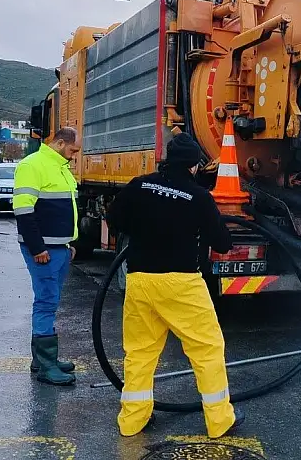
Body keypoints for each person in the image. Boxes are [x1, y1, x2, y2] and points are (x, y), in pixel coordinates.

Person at [105, 133, 244, 439]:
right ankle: (219, 421)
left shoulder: (140, 185)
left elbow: (114, 217)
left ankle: (133, 421)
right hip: (181, 284)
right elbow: (222, 243)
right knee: (207, 349)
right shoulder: (199, 197)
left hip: (140, 281)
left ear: (167, 159)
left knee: (139, 353)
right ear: (194, 166)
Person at [13, 127, 81, 386]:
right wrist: (37, 248)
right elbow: (23, 211)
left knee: (49, 301)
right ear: (60, 143)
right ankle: (46, 367)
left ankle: (42, 360)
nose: (74, 155)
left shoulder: (60, 167)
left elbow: (65, 209)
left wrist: (68, 244)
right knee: (46, 301)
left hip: (58, 247)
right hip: (43, 250)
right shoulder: (33, 165)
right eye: (73, 150)